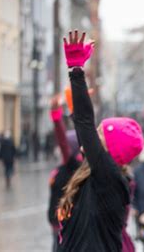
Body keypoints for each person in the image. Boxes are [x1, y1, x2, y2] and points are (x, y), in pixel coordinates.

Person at [56, 30, 144, 252]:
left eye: (101, 134)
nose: (94, 134)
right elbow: (82, 126)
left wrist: (76, 71)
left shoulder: (110, 178)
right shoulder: (99, 175)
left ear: (111, 148)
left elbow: (85, 124)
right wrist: (76, 106)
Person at [47, 95, 82, 251]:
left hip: (67, 226)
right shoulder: (63, 167)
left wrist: (56, 117)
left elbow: (61, 140)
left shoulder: (73, 165)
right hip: (57, 224)